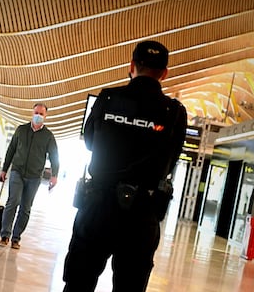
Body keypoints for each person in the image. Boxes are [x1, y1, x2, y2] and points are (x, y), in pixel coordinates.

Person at [62, 40, 187, 291]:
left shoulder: (108, 98)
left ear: (132, 66)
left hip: (97, 206)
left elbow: (89, 142)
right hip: (141, 214)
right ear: (164, 73)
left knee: (78, 283)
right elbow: (172, 158)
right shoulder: (173, 112)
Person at [0, 103, 59, 249]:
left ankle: (16, 238)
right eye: (36, 113)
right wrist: (4, 169)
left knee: (25, 207)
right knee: (13, 201)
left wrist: (54, 175)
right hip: (17, 171)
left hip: (34, 176)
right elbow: (11, 150)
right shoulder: (21, 130)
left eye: (41, 114)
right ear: (32, 113)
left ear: (45, 116)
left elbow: (54, 157)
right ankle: (5, 235)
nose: (38, 116)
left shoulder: (48, 136)